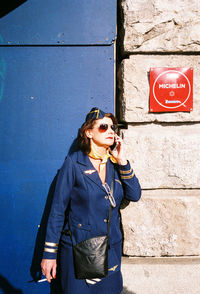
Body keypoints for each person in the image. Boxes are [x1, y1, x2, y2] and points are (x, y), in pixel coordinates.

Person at [41, 107, 141, 294]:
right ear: (88, 132)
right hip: (78, 252)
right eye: (104, 127)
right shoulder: (74, 163)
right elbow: (58, 210)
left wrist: (123, 161)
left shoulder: (115, 163)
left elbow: (135, 195)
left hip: (110, 252)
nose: (111, 131)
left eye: (113, 127)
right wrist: (49, 254)